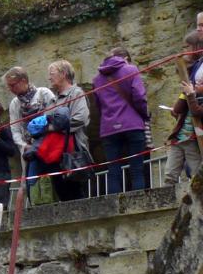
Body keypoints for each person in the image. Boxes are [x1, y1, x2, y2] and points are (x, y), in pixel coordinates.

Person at [93, 46, 150, 194]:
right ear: (125, 58)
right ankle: (139, 203)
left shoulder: (97, 79)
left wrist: (107, 118)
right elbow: (139, 97)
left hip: (109, 127)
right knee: (137, 168)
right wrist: (144, 115)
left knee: (113, 170)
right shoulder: (131, 69)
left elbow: (99, 105)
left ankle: (115, 207)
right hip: (132, 124)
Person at [3, 66, 57, 202]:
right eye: (8, 86)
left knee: (52, 181)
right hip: (30, 151)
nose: (10, 89)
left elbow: (54, 118)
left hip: (49, 146)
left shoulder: (44, 94)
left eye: (13, 85)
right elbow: (15, 129)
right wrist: (23, 145)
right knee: (31, 183)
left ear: (23, 81)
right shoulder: (15, 104)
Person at [47, 59, 91, 201]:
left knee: (78, 195)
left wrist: (54, 127)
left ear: (64, 74)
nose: (49, 77)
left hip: (73, 153)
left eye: (52, 73)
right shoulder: (52, 101)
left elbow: (80, 118)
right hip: (55, 154)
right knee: (62, 194)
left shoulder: (76, 93)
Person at [166, 31, 203, 186]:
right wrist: (187, 92)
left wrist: (191, 94)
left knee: (196, 175)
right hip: (180, 137)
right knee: (170, 174)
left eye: (188, 47)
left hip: (193, 139)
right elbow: (179, 108)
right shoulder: (190, 83)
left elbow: (196, 111)